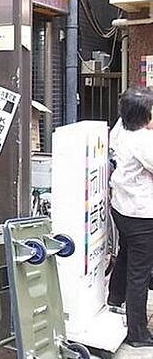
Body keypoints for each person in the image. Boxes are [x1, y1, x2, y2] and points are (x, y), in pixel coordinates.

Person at [107, 87, 153, 348]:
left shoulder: (120, 129)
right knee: (140, 273)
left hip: (121, 208)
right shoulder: (144, 141)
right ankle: (138, 333)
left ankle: (114, 299)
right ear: (143, 116)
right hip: (142, 214)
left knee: (125, 254)